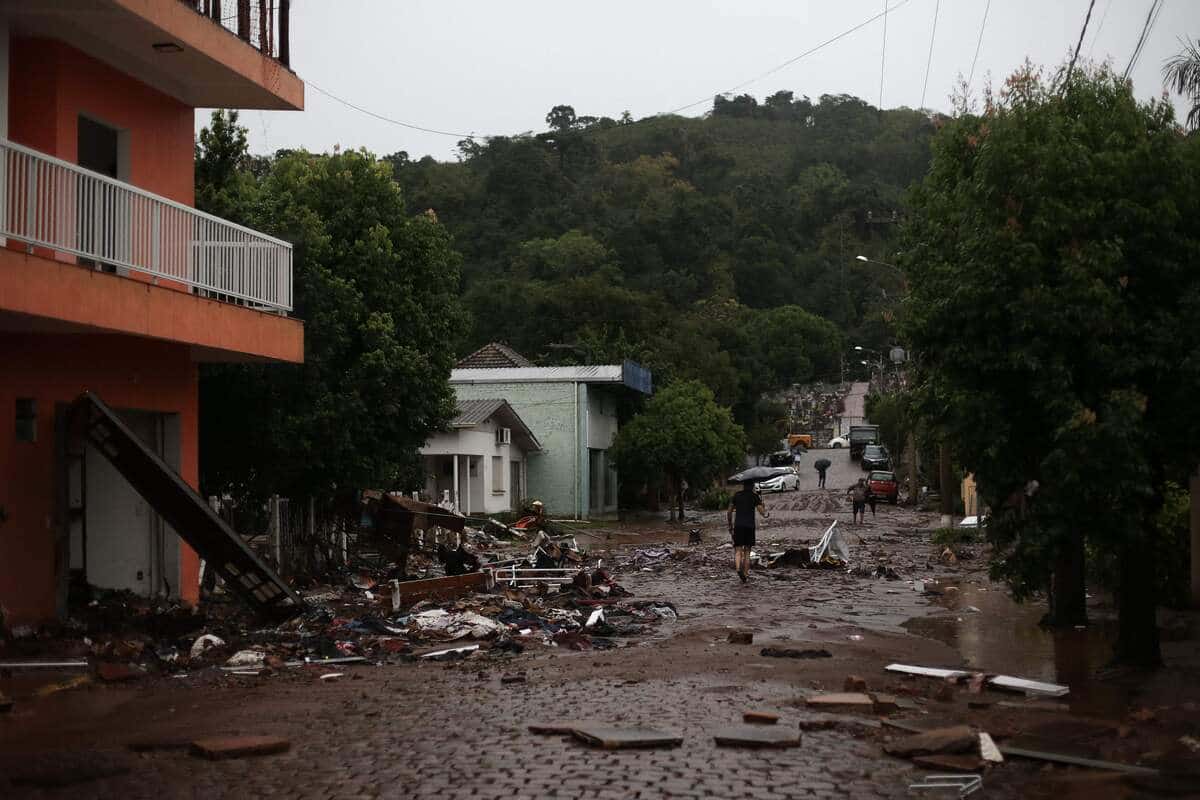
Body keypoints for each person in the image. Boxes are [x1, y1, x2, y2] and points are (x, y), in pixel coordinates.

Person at [727, 480, 768, 583]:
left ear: (743, 485)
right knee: (747, 552)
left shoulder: (737, 495)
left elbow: (729, 512)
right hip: (750, 527)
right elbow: (763, 513)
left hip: (738, 526)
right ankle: (745, 574)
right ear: (752, 486)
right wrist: (763, 507)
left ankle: (737, 569)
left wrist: (730, 525)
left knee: (737, 551)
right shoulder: (754, 496)